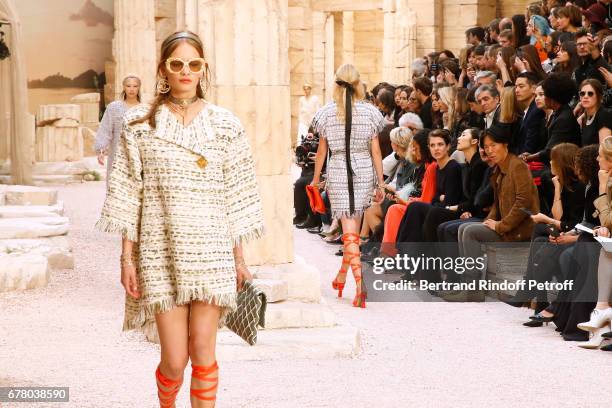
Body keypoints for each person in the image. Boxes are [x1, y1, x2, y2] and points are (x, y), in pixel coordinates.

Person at [95, 31, 264, 407]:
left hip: (212, 251)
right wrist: (127, 258)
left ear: (204, 69)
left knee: (204, 353)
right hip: (160, 251)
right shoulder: (139, 124)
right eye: (177, 64)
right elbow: (127, 194)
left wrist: (239, 259)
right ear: (163, 70)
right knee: (174, 360)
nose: (186, 71)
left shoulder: (225, 124)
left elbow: (235, 195)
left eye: (194, 64)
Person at [311, 63, 386, 308]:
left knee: (349, 229)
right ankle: (342, 277)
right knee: (351, 229)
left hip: (339, 168)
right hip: (363, 168)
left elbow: (322, 150)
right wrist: (380, 182)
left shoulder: (326, 112)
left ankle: (359, 282)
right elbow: (376, 150)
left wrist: (315, 179)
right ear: (358, 84)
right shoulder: (371, 112)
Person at [443, 126, 540, 302]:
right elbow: (497, 203)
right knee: (465, 228)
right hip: (505, 225)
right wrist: (488, 221)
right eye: (486, 147)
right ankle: (470, 285)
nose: (489, 151)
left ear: (505, 145)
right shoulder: (499, 169)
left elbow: (523, 203)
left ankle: (473, 289)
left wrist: (500, 225)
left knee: (470, 231)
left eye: (493, 145)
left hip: (520, 229)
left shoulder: (517, 166)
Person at [577, 136, 612, 347]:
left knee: (604, 250)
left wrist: (600, 187)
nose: (597, 159)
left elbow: (607, 217)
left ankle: (601, 312)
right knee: (604, 247)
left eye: (601, 156)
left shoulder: (605, 182)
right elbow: (607, 221)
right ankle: (602, 324)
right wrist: (604, 227)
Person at [524, 73, 581, 163]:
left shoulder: (563, 119)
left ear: (553, 97)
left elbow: (550, 152)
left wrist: (528, 158)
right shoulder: (558, 113)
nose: (543, 98)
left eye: (544, 94)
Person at [94, 74, 142, 182]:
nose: (132, 89)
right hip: (117, 152)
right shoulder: (114, 108)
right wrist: (101, 151)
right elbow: (105, 129)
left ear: (139, 88)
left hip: (139, 154)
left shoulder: (145, 109)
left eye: (135, 86)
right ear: (124, 87)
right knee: (116, 184)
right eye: (128, 86)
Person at [515, 72, 546, 155]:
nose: (517, 90)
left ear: (533, 89)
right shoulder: (530, 109)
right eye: (516, 87)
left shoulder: (536, 110)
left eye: (521, 86)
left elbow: (530, 147)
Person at [577, 78, 612, 146]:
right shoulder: (584, 117)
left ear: (599, 96)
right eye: (582, 93)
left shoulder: (604, 115)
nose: (585, 96)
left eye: (590, 94)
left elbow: (604, 149)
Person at [297, 82, 321, 146]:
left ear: (310, 89)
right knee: (301, 136)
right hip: (303, 121)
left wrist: (316, 122)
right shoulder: (301, 99)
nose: (306, 90)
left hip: (312, 122)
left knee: (314, 138)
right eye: (305, 89)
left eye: (308, 89)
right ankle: (300, 150)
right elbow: (299, 111)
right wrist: (300, 120)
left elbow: (318, 111)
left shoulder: (315, 98)